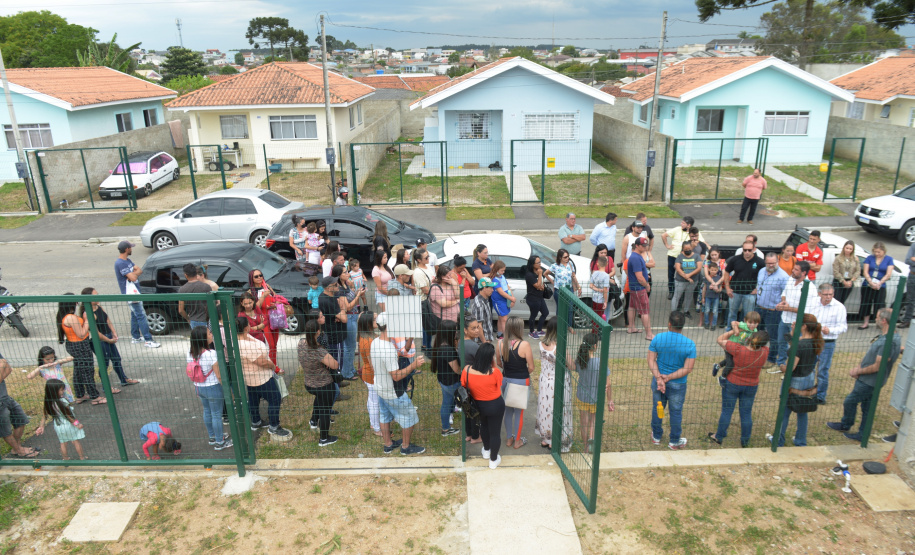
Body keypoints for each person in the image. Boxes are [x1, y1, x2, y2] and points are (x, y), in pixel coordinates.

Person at [828, 308, 902, 441]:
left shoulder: (888, 341)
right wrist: (860, 367)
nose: (875, 319)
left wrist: (859, 371)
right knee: (867, 406)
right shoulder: (888, 337)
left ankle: (846, 424)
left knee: (850, 401)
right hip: (868, 379)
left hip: (870, 381)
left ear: (884, 321)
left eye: (877, 317)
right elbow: (872, 356)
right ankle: (863, 433)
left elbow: (878, 365)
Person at [370, 312, 426, 455]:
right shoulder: (388, 349)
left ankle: (388, 444)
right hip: (393, 391)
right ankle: (406, 447)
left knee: (384, 416)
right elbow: (396, 376)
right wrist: (414, 365)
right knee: (410, 417)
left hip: (380, 387)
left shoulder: (376, 342)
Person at [707, 330, 769, 448]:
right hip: (751, 386)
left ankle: (719, 436)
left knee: (727, 411)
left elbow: (720, 339)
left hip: (733, 384)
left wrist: (734, 330)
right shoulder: (765, 352)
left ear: (751, 338)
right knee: (746, 413)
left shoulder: (738, 349)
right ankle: (745, 440)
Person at [770, 314, 823, 447]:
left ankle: (778, 439)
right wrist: (792, 332)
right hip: (808, 378)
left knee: (785, 411)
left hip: (795, 381)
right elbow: (794, 343)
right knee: (802, 411)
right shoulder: (815, 341)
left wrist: (782, 367)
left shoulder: (800, 345)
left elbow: (790, 368)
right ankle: (800, 441)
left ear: (804, 326)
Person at [648, 311, 696, 450]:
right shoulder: (690, 344)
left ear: (669, 324)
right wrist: (669, 377)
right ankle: (674, 440)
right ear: (682, 326)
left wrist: (659, 378)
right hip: (678, 384)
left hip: (658, 381)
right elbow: (688, 368)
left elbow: (651, 360)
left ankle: (656, 436)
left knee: (658, 407)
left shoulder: (658, 338)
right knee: (675, 411)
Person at [236, 317, 291, 438]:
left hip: (250, 378)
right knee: (275, 398)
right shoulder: (245, 345)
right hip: (261, 377)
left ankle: (256, 422)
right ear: (246, 328)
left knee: (254, 400)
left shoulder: (238, 339)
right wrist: (272, 366)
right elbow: (262, 362)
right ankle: (274, 426)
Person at [186, 326, 232, 450]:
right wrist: (227, 389)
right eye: (209, 333)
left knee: (207, 411)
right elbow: (219, 375)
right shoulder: (211, 354)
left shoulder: (190, 354)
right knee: (217, 414)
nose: (211, 334)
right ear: (203, 339)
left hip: (199, 387)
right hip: (213, 387)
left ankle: (213, 436)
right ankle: (220, 442)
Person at [84, 287, 139, 389]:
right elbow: (96, 333)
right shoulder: (88, 314)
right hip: (101, 340)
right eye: (95, 295)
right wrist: (108, 340)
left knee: (116, 359)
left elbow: (107, 319)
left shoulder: (98, 306)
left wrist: (113, 332)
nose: (98, 297)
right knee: (104, 363)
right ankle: (106, 387)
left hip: (109, 336)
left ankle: (124, 379)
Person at [462, 343, 505, 469]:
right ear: (490, 358)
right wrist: (494, 364)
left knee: (484, 427)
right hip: (496, 405)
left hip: (478, 406)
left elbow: (463, 384)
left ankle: (486, 451)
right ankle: (493, 460)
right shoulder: (495, 372)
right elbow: (499, 384)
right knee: (495, 433)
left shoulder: (467, 370)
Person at [298, 319, 340, 446]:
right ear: (318, 332)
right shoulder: (318, 350)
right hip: (323, 385)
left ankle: (313, 420)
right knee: (325, 410)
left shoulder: (301, 344)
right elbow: (335, 365)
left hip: (309, 383)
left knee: (319, 400)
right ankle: (324, 438)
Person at [534, 318, 572, 451]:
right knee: (559, 409)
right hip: (558, 381)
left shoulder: (541, 343)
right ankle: (555, 439)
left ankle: (546, 438)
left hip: (545, 380)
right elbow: (571, 365)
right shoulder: (559, 346)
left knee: (545, 409)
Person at [57, 295, 103, 405]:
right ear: (73, 303)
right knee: (87, 370)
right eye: (76, 302)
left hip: (74, 344)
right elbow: (81, 334)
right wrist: (88, 320)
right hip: (80, 345)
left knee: (78, 370)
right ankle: (95, 396)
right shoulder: (71, 318)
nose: (77, 304)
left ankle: (80, 394)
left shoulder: (67, 316)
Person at [114, 240, 160, 348]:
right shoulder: (120, 263)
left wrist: (132, 274)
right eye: (130, 248)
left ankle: (135, 337)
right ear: (127, 249)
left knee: (135, 315)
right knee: (141, 315)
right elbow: (134, 276)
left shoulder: (128, 261)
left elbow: (139, 270)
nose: (131, 249)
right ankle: (148, 340)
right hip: (131, 293)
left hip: (135, 291)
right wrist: (133, 274)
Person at [497, 317, 534, 450]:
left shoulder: (500, 344)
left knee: (508, 411)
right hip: (520, 381)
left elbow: (499, 363)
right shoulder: (524, 345)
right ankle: (517, 441)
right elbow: (531, 367)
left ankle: (509, 439)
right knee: (519, 412)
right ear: (519, 329)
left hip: (505, 380)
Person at [574, 333, 613, 453]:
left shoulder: (580, 360)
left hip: (582, 396)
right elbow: (608, 384)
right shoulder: (600, 362)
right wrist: (610, 400)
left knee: (583, 422)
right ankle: (592, 437)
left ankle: (586, 446)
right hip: (596, 397)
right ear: (595, 346)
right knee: (594, 420)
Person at [810, 283, 848, 405]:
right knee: (809, 367)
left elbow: (843, 327)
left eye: (830, 294)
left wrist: (830, 331)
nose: (828, 297)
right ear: (819, 294)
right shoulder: (812, 303)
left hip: (827, 342)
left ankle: (820, 396)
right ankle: (808, 391)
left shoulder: (839, 307)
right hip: (811, 340)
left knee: (822, 370)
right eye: (825, 294)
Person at [774, 261, 815, 373]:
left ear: (804, 273)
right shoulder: (791, 280)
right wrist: (783, 303)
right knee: (781, 342)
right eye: (794, 268)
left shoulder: (810, 288)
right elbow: (784, 293)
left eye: (796, 270)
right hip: (784, 318)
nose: (793, 271)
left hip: (797, 323)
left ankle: (792, 368)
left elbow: (806, 309)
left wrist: (788, 308)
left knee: (795, 346)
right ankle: (781, 364)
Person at [35, 379, 86, 460]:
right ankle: (82, 457)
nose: (63, 391)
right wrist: (77, 424)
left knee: (63, 443)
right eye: (61, 390)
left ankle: (65, 458)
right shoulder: (62, 401)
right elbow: (69, 416)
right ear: (54, 391)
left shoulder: (48, 402)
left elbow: (44, 416)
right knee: (75, 441)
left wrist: (41, 427)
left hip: (58, 426)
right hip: (68, 425)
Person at [0, 353, 37, 458]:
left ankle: (16, 447)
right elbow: (4, 365)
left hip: (5, 396)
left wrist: (2, 366)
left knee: (21, 419)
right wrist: (2, 365)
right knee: (5, 429)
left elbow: (9, 369)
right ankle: (19, 450)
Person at [331, 263, 364, 380]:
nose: (348, 274)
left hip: (353, 317)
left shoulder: (345, 286)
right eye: (345, 272)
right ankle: (346, 373)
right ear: (339, 276)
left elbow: (351, 298)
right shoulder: (340, 290)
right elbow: (348, 307)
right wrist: (358, 296)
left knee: (350, 346)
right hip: (349, 317)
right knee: (349, 347)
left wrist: (356, 292)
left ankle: (350, 368)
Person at [755, 253, 790, 365]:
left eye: (773, 263)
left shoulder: (783, 277)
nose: (770, 265)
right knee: (758, 333)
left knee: (773, 337)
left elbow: (786, 294)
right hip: (759, 308)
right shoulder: (761, 271)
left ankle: (771, 359)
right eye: (768, 263)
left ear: (777, 262)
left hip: (773, 311)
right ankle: (757, 354)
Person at [432, 321, 462, 437]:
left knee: (447, 400)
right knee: (446, 403)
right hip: (451, 382)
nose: (456, 333)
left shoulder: (440, 344)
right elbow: (457, 370)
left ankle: (449, 416)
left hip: (443, 380)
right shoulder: (448, 350)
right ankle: (445, 429)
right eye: (455, 331)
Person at [662, 217, 704, 299]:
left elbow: (702, 241)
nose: (681, 224)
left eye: (683, 223)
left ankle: (682, 292)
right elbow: (663, 235)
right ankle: (671, 291)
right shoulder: (677, 229)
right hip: (672, 255)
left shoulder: (693, 232)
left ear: (689, 225)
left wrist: (709, 247)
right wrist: (667, 245)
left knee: (682, 274)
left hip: (684, 258)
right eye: (681, 222)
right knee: (671, 274)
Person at [247, 269, 281, 372]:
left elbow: (275, 298)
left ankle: (274, 366)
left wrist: (276, 303)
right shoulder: (250, 292)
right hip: (263, 321)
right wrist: (263, 297)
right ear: (252, 279)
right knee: (270, 345)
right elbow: (254, 307)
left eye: (260, 275)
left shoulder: (267, 287)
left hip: (274, 318)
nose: (259, 278)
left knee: (274, 345)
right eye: (256, 276)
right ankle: (272, 367)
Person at [724, 241, 761, 330]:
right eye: (745, 250)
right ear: (742, 250)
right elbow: (726, 272)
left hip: (750, 294)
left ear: (753, 249)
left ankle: (746, 333)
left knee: (748, 316)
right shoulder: (735, 259)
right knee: (732, 314)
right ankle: (729, 332)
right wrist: (727, 288)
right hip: (734, 292)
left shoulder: (760, 261)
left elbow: (764, 275)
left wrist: (758, 288)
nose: (747, 252)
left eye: (749, 250)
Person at [713, 311, 760, 378]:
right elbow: (733, 322)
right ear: (745, 320)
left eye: (755, 323)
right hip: (730, 346)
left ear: (758, 323)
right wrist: (736, 331)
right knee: (731, 364)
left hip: (738, 348)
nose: (752, 325)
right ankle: (723, 377)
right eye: (750, 322)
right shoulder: (744, 326)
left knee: (732, 360)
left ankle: (717, 366)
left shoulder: (755, 331)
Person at [357, 312, 382, 437]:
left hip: (370, 375)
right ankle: (377, 428)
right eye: (375, 319)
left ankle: (373, 423)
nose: (377, 321)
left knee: (372, 400)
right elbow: (373, 365)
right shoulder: (367, 342)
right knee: (375, 402)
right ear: (368, 323)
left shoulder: (369, 336)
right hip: (372, 375)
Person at [859, 242, 895, 329]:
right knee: (866, 303)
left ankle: (879, 323)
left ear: (883, 251)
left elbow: (888, 274)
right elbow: (865, 272)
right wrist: (871, 282)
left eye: (879, 252)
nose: (877, 254)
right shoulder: (869, 258)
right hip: (868, 284)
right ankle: (865, 323)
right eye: (875, 252)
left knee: (879, 304)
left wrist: (879, 283)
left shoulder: (889, 259)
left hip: (880, 285)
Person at [462, 316, 484, 445]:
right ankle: (476, 436)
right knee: (475, 410)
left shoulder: (461, 342)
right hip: (474, 381)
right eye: (473, 328)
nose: (476, 331)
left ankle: (469, 434)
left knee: (467, 409)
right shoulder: (473, 346)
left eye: (478, 327)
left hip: (465, 380)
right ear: (465, 330)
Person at [318, 276, 348, 366]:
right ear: (328, 288)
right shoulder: (327, 301)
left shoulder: (329, 296)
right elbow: (345, 319)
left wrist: (341, 311)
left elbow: (342, 313)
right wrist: (342, 308)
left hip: (334, 334)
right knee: (337, 363)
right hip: (335, 337)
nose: (338, 285)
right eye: (335, 285)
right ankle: (337, 379)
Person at [627, 237, 653, 338]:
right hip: (639, 288)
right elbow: (639, 276)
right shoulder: (636, 258)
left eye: (646, 245)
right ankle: (649, 334)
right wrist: (646, 285)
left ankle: (631, 327)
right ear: (637, 246)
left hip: (634, 288)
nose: (645, 247)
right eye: (643, 246)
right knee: (645, 311)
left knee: (632, 306)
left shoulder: (635, 256)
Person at [411, 248, 437, 351]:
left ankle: (427, 345)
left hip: (429, 300)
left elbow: (433, 280)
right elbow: (426, 290)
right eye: (426, 257)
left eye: (428, 256)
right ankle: (426, 347)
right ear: (419, 260)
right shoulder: (417, 272)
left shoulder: (427, 267)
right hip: (423, 301)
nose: (428, 258)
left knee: (428, 324)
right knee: (427, 325)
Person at [549, 248, 581, 328]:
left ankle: (569, 326)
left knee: (570, 309)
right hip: (559, 290)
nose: (567, 258)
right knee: (560, 310)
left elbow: (573, 276)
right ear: (560, 257)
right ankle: (559, 326)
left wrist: (578, 286)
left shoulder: (570, 263)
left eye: (568, 256)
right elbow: (545, 273)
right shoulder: (555, 266)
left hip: (569, 289)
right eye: (565, 257)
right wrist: (553, 283)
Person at [178, 264, 212, 329]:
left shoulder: (182, 289)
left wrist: (188, 319)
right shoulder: (206, 286)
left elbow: (181, 310)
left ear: (186, 275)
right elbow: (212, 304)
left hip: (193, 320)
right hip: (207, 319)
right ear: (196, 273)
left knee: (197, 338)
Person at [672, 241, 700, 318]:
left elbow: (699, 268)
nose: (687, 250)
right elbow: (678, 269)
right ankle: (673, 312)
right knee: (676, 296)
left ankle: (686, 311)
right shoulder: (680, 256)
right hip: (680, 280)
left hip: (693, 280)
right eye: (685, 249)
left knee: (689, 296)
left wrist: (689, 276)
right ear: (683, 249)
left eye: (689, 248)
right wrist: (687, 277)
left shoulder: (697, 256)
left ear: (691, 248)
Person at [525, 255, 550, 338]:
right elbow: (538, 286)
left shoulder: (538, 271)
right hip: (533, 298)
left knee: (545, 312)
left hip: (540, 297)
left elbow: (541, 285)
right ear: (532, 264)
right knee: (533, 315)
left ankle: (539, 329)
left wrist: (542, 286)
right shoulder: (529, 275)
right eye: (538, 262)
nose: (540, 264)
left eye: (540, 262)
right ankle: (531, 331)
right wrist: (540, 274)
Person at [489, 261, 514, 337]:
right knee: (504, 319)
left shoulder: (502, 277)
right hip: (499, 301)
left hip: (505, 300)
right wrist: (512, 299)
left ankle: (500, 334)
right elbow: (501, 292)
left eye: (504, 270)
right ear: (496, 270)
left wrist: (512, 297)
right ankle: (505, 336)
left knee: (501, 317)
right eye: (502, 270)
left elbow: (507, 286)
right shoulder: (495, 279)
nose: (503, 272)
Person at [832, 240, 861, 306]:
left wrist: (851, 281)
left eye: (850, 249)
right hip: (839, 281)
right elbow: (836, 271)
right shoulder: (838, 258)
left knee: (842, 301)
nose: (848, 250)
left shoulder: (855, 258)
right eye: (847, 248)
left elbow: (858, 271)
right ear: (844, 248)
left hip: (850, 281)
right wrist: (843, 281)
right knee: (836, 300)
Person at [471, 277, 496, 342]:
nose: (492, 290)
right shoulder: (480, 304)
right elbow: (479, 326)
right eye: (491, 288)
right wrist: (484, 342)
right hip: (482, 341)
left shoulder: (485, 299)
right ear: (485, 288)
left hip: (487, 338)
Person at [702, 263, 724, 330]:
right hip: (708, 297)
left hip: (716, 297)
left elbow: (720, 288)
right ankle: (706, 323)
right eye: (711, 270)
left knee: (715, 311)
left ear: (717, 270)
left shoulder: (719, 278)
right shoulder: (707, 278)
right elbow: (704, 288)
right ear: (708, 269)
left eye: (715, 270)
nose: (713, 271)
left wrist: (717, 290)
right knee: (706, 310)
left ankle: (714, 324)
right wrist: (703, 297)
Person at [591, 255, 611, 324]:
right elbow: (605, 290)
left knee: (595, 315)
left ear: (597, 264)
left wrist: (597, 289)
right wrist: (605, 301)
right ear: (607, 264)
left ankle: (594, 331)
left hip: (594, 298)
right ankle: (597, 332)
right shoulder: (606, 276)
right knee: (600, 317)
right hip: (601, 299)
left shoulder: (594, 273)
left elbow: (591, 285)